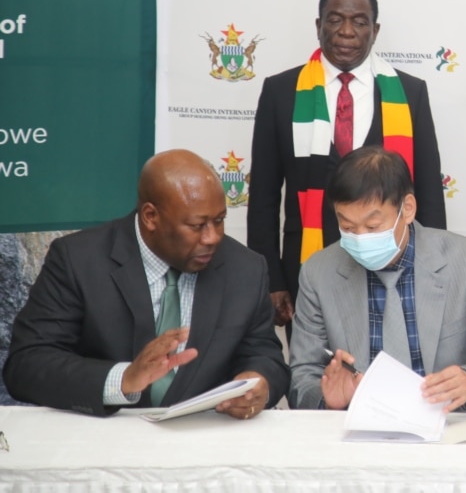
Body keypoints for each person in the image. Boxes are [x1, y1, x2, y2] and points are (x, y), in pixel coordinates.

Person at [3, 150, 289, 418]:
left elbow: (264, 354)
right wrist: (123, 379)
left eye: (219, 220)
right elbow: (27, 365)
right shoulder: (79, 261)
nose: (212, 237)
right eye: (197, 225)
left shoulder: (245, 269)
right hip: (102, 446)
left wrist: (259, 382)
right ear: (151, 216)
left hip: (205, 445)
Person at [248, 0, 446, 333]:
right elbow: (262, 196)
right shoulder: (280, 91)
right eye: (335, 19)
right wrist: (271, 279)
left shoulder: (411, 92)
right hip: (307, 266)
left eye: (359, 21)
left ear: (375, 29)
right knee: (316, 376)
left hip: (396, 263)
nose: (346, 32)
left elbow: (427, 190)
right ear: (318, 25)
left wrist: (435, 271)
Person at [289, 146, 466, 412]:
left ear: (408, 209)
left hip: (449, 426)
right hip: (360, 433)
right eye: (347, 227)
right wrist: (327, 400)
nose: (359, 237)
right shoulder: (319, 273)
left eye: (372, 227)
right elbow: (302, 374)